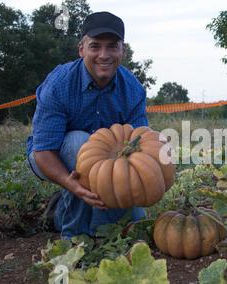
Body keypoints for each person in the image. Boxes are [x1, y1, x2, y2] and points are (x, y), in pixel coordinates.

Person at [26, 12, 148, 239]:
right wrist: (70, 184)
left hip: (108, 161)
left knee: (137, 220)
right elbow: (43, 151)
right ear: (81, 49)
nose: (104, 55)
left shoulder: (133, 89)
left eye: (112, 47)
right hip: (49, 155)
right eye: (95, 47)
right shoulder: (59, 84)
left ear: (123, 50)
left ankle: (60, 212)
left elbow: (139, 141)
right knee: (80, 143)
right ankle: (79, 237)